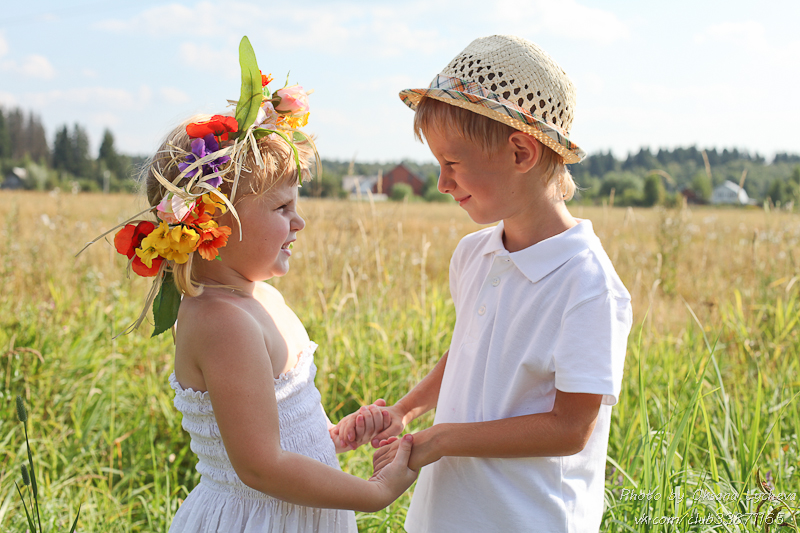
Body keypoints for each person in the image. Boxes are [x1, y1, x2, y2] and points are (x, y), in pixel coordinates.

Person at [96, 37, 416, 533]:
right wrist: (377, 493)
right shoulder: (221, 322)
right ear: (215, 222)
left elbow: (278, 433)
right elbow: (261, 466)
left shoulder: (263, 298)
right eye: (282, 208)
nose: (299, 222)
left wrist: (334, 435)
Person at [342, 35, 633, 532]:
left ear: (520, 152)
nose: (441, 183)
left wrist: (443, 439)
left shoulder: (586, 284)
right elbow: (470, 350)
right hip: (447, 515)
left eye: (452, 163)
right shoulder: (474, 254)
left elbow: (570, 429)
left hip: (528, 518)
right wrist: (408, 411)